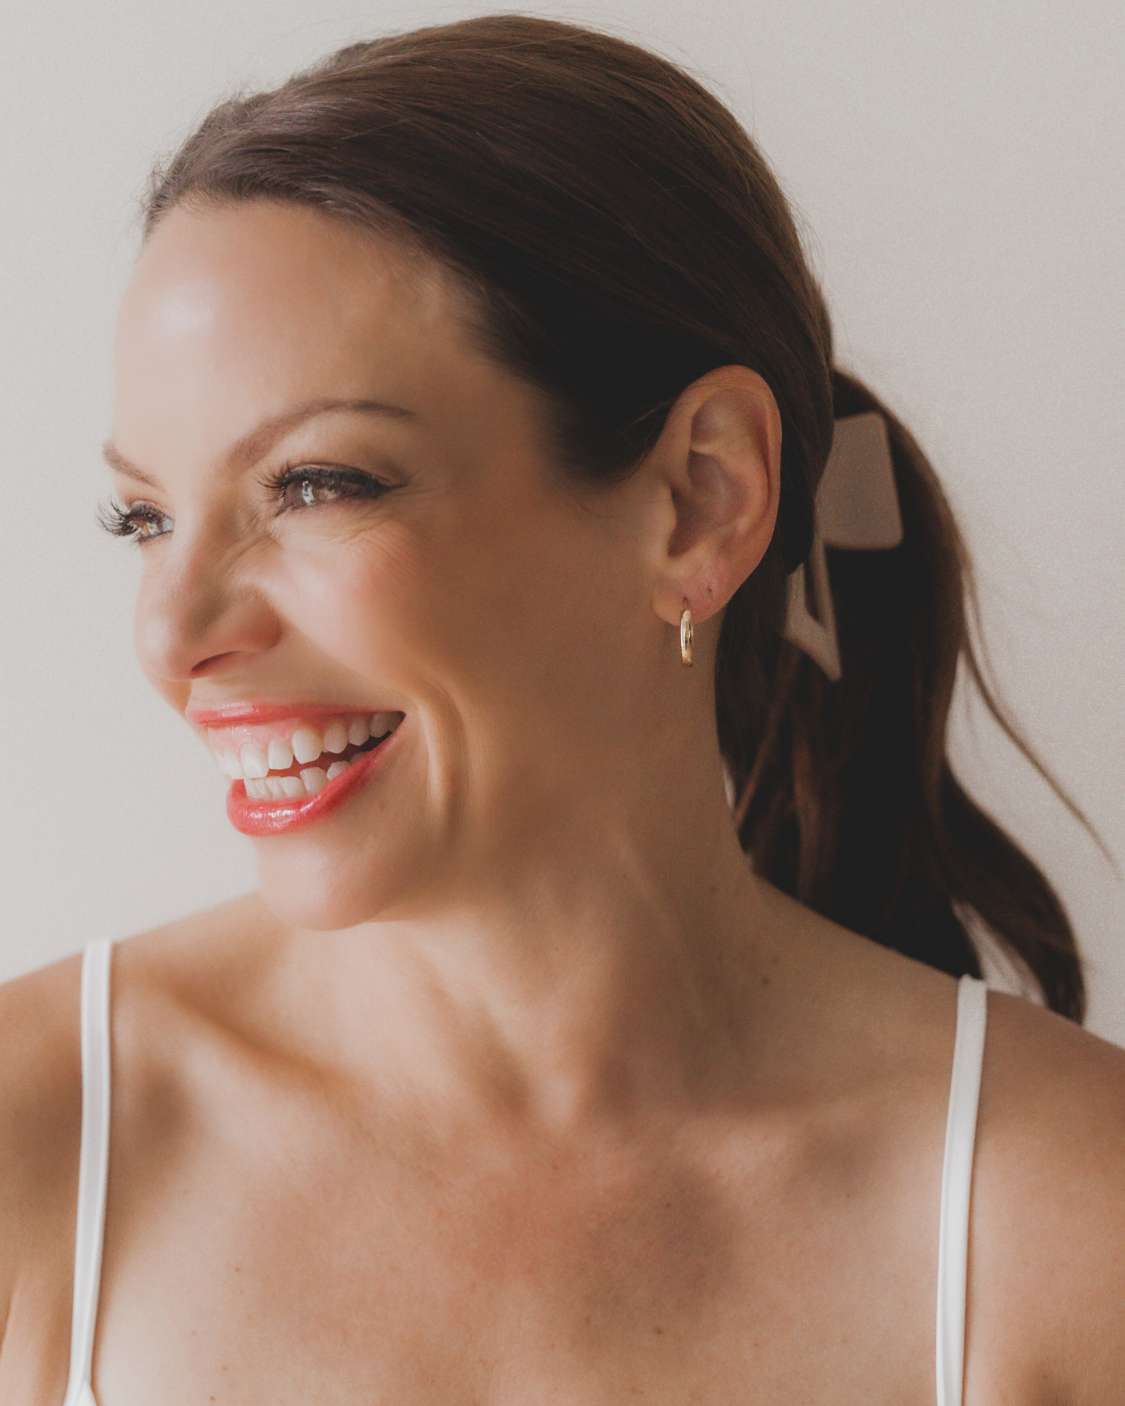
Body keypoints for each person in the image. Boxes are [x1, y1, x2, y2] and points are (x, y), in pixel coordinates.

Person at [1, 15, 1122, 1404]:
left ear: (697, 498)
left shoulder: (1078, 1225)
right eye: (145, 515)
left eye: (317, 483)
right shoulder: (33, 1150)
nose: (173, 634)